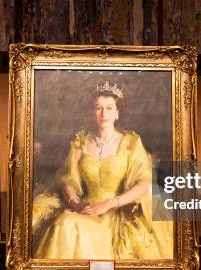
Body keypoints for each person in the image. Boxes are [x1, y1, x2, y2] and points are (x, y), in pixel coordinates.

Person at [32, 81, 173, 260]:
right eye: (98, 108)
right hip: (86, 208)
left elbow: (144, 183)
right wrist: (76, 203)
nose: (104, 113)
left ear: (117, 113)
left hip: (118, 211)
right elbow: (68, 179)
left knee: (72, 226)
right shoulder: (80, 141)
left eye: (109, 108)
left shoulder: (131, 142)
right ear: (93, 112)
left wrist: (109, 204)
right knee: (64, 223)